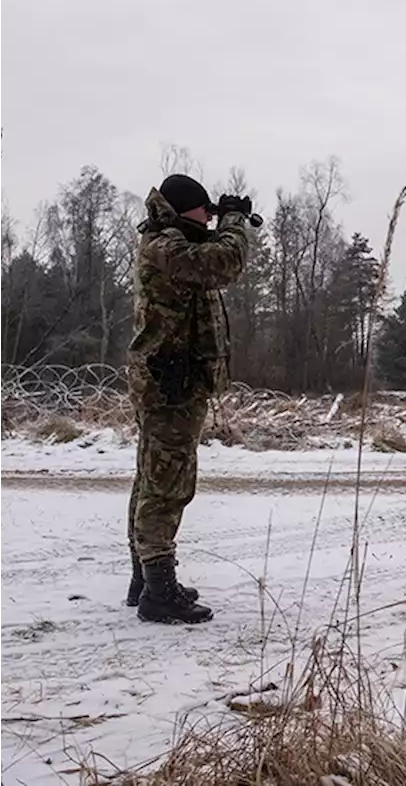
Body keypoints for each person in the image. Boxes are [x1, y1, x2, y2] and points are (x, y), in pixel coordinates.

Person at [124, 173, 251, 624]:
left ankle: (145, 579)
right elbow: (223, 262)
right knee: (166, 484)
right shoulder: (165, 246)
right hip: (170, 386)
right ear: (183, 210)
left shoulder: (171, 242)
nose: (209, 219)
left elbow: (210, 257)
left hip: (171, 381)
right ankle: (158, 589)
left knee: (153, 476)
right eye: (205, 212)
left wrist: (225, 221)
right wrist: (235, 222)